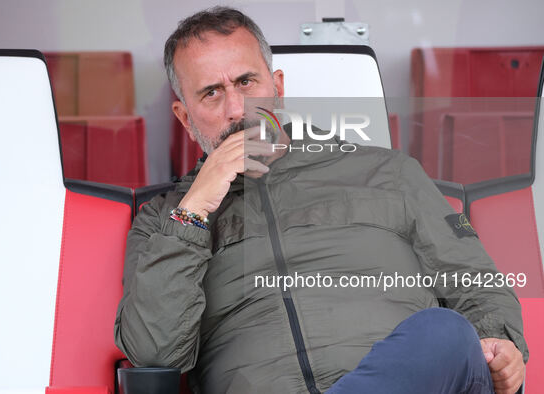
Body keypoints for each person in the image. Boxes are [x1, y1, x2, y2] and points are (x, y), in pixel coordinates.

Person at [114, 6, 528, 393]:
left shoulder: (389, 173)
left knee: (445, 333)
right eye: (211, 93)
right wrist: (196, 208)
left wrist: (500, 343)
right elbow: (155, 353)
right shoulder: (163, 223)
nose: (238, 109)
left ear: (277, 88)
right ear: (185, 118)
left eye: (246, 82)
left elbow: (477, 282)